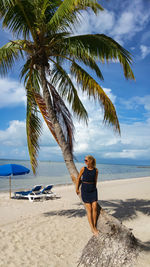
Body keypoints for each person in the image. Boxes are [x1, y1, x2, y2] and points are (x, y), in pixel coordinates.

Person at [76, 155, 99, 236]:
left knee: (95, 206)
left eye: (86, 160)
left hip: (93, 189)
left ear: (90, 161)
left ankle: (95, 226)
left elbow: (95, 181)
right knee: (89, 208)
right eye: (84, 160)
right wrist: (77, 188)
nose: (85, 162)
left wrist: (94, 189)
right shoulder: (83, 169)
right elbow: (78, 178)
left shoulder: (96, 170)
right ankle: (92, 228)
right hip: (85, 189)